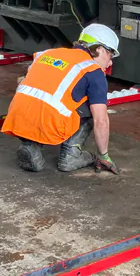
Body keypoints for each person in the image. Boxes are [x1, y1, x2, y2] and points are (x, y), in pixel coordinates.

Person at [1, 24, 121, 174]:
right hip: (50, 125)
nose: (110, 62)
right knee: (94, 106)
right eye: (110, 55)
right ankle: (71, 155)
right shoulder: (93, 71)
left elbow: (22, 83)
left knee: (43, 97)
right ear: (100, 49)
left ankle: (31, 146)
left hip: (16, 118)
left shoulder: (47, 53)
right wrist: (104, 156)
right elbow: (101, 121)